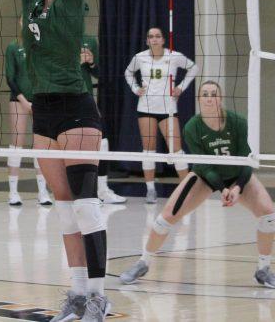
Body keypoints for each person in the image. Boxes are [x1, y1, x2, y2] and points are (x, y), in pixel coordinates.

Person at [20, 0, 111, 321]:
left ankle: (98, 294)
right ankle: (76, 293)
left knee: (87, 206)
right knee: (64, 210)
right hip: (43, 112)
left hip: (77, 109)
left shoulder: (71, 2)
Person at [119, 81, 275, 289]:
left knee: (269, 216)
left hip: (238, 175)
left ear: (220, 98)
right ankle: (143, 262)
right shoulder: (192, 127)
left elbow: (246, 160)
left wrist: (237, 187)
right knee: (165, 219)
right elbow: (205, 166)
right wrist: (223, 189)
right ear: (199, 100)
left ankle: (263, 269)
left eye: (213, 94)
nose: (209, 98)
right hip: (205, 176)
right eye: (205, 94)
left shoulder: (238, 122)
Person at [124, 26, 198, 204]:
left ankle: (185, 190)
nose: (154, 39)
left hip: (168, 109)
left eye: (158, 36)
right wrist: (135, 89)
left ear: (163, 40)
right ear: (147, 40)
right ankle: (150, 190)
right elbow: (128, 73)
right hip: (146, 108)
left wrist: (181, 87)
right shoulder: (140, 57)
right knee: (148, 151)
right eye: (151, 36)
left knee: (176, 150)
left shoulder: (173, 56)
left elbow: (193, 68)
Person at [5, 29, 52, 207]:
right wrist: (24, 101)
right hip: (19, 100)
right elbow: (10, 78)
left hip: (40, 99)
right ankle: (13, 191)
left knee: (40, 144)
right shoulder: (13, 47)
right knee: (17, 144)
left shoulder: (42, 45)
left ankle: (42, 191)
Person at [80, 30, 124, 204]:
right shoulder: (57, 35)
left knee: (102, 141)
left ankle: (102, 190)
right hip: (65, 99)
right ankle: (79, 192)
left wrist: (91, 63)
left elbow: (100, 74)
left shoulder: (89, 40)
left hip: (87, 98)